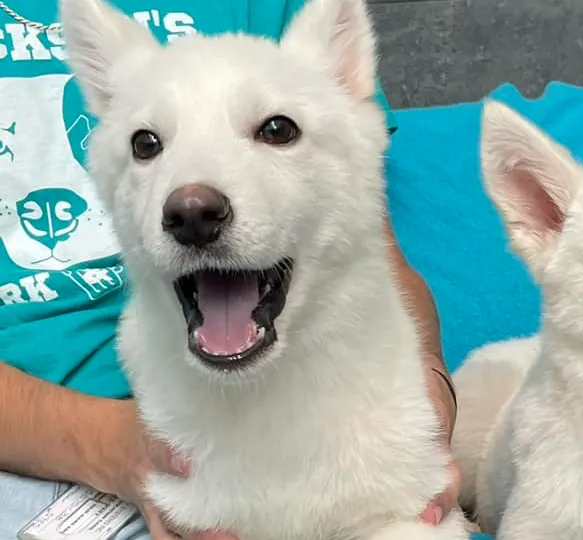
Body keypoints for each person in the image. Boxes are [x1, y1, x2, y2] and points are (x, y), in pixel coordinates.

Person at [0, 1, 461, 538]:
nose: (191, 202)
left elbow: (368, 250)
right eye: (149, 144)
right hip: (41, 456)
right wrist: (110, 446)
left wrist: (427, 384)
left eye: (275, 131)